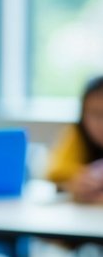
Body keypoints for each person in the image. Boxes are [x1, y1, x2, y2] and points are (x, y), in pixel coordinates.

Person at [46, 75, 103, 204]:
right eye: (95, 113)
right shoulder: (77, 133)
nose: (101, 124)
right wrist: (76, 182)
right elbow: (54, 171)